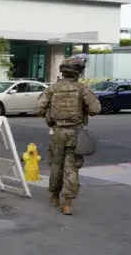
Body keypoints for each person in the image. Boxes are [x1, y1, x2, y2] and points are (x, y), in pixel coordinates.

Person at [37, 54, 101, 215]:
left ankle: (53, 196)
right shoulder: (82, 89)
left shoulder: (53, 88)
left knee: (56, 164)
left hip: (57, 132)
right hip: (75, 132)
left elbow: (39, 107)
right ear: (78, 72)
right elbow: (95, 109)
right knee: (71, 167)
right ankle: (68, 203)